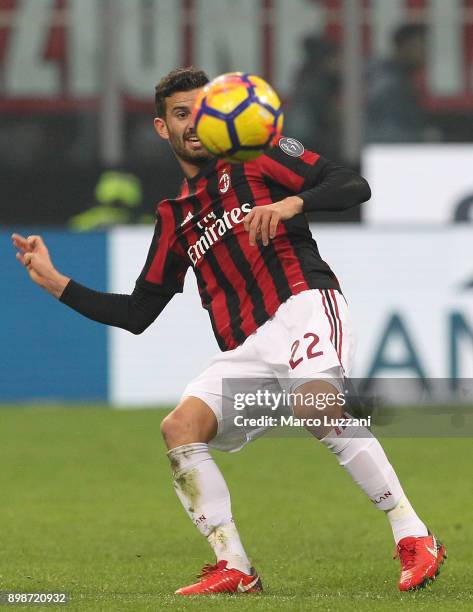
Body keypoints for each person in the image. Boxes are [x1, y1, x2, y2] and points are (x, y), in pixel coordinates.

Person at [12, 67, 446, 595]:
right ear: (161, 128)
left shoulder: (258, 155)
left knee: (317, 408)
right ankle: (235, 567)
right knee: (179, 429)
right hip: (247, 347)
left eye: (199, 109)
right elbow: (136, 314)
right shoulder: (175, 217)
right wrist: (55, 282)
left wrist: (293, 202)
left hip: (303, 305)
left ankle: (413, 535)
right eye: (179, 114)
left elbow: (353, 184)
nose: (192, 122)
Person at [364, 24, 430, 143]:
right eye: (422, 47)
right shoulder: (391, 86)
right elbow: (391, 136)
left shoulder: (392, 79)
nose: (426, 54)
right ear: (406, 47)